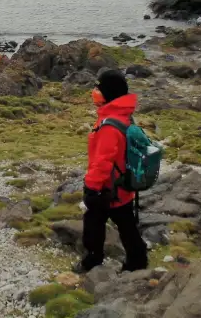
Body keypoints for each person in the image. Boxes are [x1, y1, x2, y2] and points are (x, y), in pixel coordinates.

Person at [75, 68, 148, 274]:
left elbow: (102, 162)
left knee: (94, 222)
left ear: (109, 92)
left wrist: (92, 188)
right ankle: (138, 260)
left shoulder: (109, 126)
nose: (94, 91)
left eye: (98, 88)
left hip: (108, 189)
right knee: (126, 223)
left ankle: (93, 260)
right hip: (123, 185)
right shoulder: (123, 115)